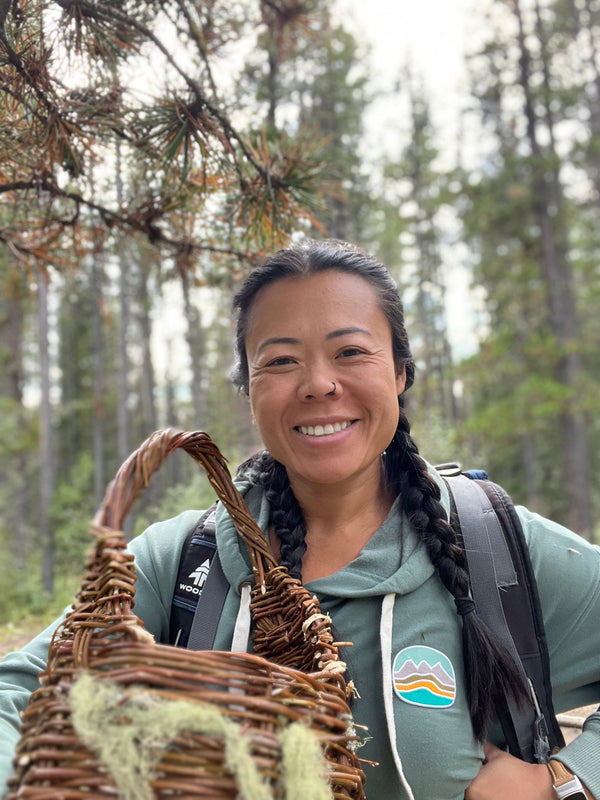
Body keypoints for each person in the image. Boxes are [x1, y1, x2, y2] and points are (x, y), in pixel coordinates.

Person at [0, 239, 599, 800]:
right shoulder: (184, 560)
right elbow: (18, 696)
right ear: (250, 389)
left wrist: (567, 779)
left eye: (351, 352)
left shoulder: (496, 549)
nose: (318, 384)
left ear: (399, 374)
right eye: (281, 360)